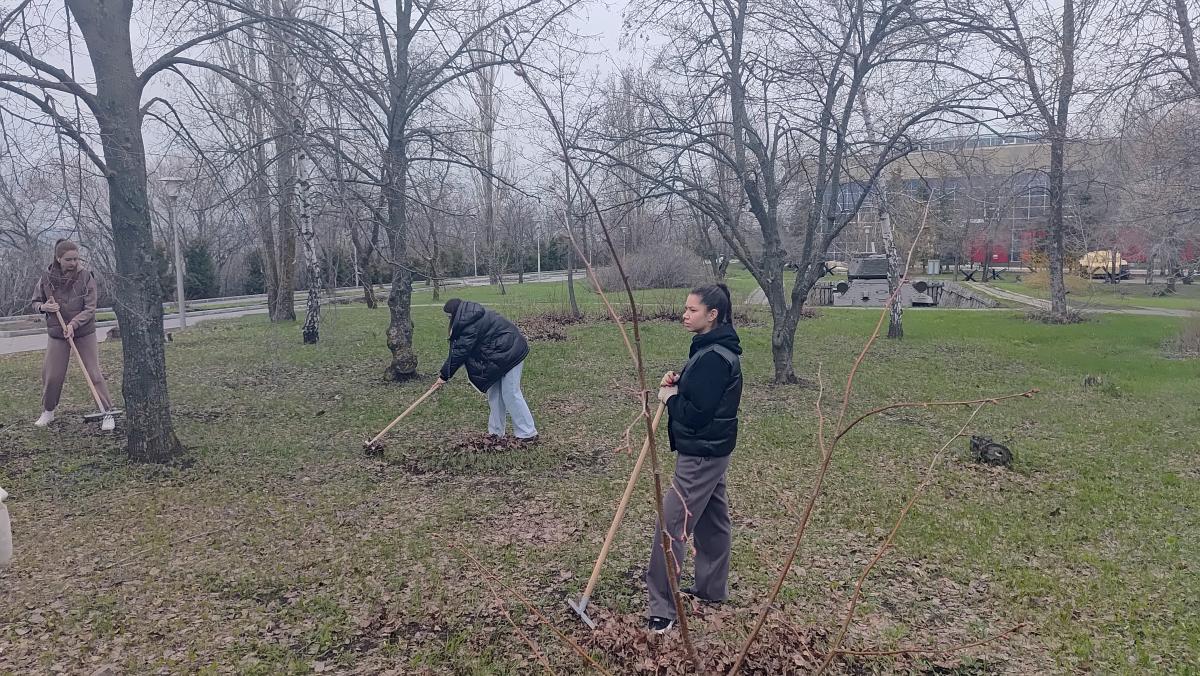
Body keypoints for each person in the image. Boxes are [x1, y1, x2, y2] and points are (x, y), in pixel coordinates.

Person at [646, 283, 743, 633]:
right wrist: (681, 381)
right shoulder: (715, 348)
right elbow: (704, 395)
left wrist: (671, 397)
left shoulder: (714, 357)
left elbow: (696, 414)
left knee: (670, 527)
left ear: (712, 314)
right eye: (685, 309)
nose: (684, 315)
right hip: (715, 451)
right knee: (714, 523)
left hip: (701, 453)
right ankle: (712, 590)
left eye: (692, 310)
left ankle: (663, 608)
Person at [28, 239, 116, 431]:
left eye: (76, 258)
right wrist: (44, 307)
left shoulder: (86, 277)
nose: (74, 262)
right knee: (52, 376)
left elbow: (90, 308)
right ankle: (48, 411)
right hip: (57, 334)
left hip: (83, 332)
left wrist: (73, 324)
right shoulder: (46, 279)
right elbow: (35, 302)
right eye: (69, 259)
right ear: (59, 258)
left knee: (94, 373)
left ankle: (106, 412)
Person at [437, 298, 538, 443]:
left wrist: (444, 376)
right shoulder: (470, 316)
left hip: (512, 352)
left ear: (454, 313)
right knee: (494, 394)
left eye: (448, 316)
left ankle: (528, 433)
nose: (448, 320)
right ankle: (496, 433)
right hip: (499, 356)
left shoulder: (469, 323)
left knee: (510, 392)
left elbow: (460, 351)